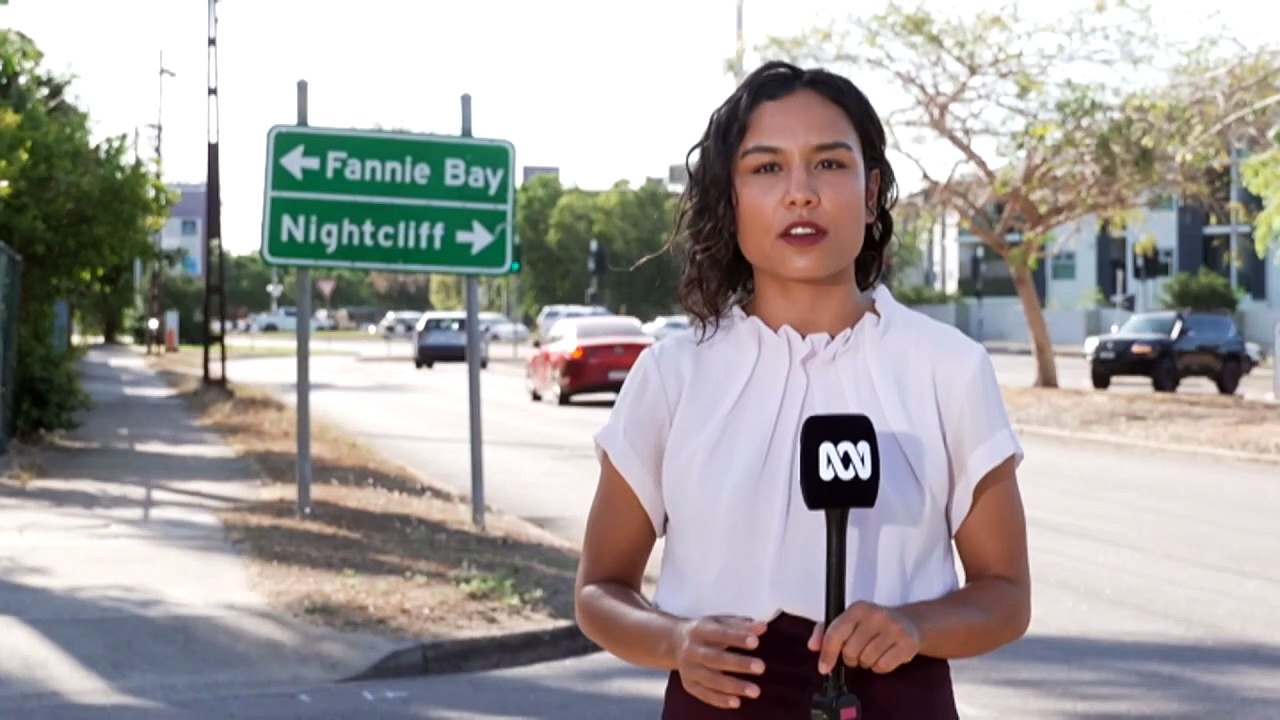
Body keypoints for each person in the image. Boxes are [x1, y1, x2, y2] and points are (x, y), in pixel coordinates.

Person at [574, 60, 1030, 719]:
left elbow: (1006, 594)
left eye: (829, 164)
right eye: (766, 168)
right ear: (729, 200)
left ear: (871, 194)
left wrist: (916, 626)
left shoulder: (949, 367)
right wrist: (676, 641)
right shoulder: (672, 376)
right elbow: (599, 591)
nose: (800, 193)